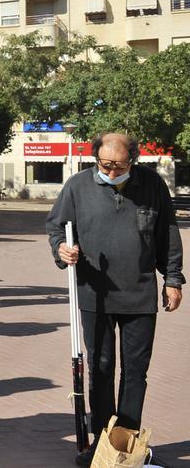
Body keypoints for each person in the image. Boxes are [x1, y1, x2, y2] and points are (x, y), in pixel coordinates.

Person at [45, 133, 183, 467]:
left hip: (139, 293)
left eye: (117, 165)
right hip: (95, 295)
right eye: (103, 164)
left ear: (132, 161)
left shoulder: (151, 185)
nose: (109, 171)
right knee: (102, 368)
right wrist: (61, 250)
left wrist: (173, 279)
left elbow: (167, 233)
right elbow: (56, 227)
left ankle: (127, 442)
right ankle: (101, 442)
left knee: (136, 371)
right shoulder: (77, 186)